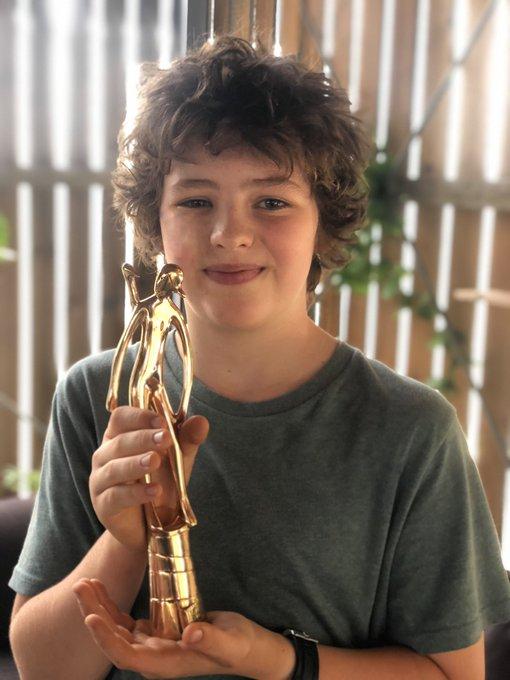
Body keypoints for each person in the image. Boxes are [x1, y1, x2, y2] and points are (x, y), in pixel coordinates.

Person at [8, 35, 510, 680]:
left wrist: (280, 661)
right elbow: (43, 668)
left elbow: (453, 674)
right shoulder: (100, 396)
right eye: (195, 201)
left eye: (271, 201)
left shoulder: (409, 428)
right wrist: (125, 540)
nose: (230, 233)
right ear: (153, 224)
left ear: (323, 223)